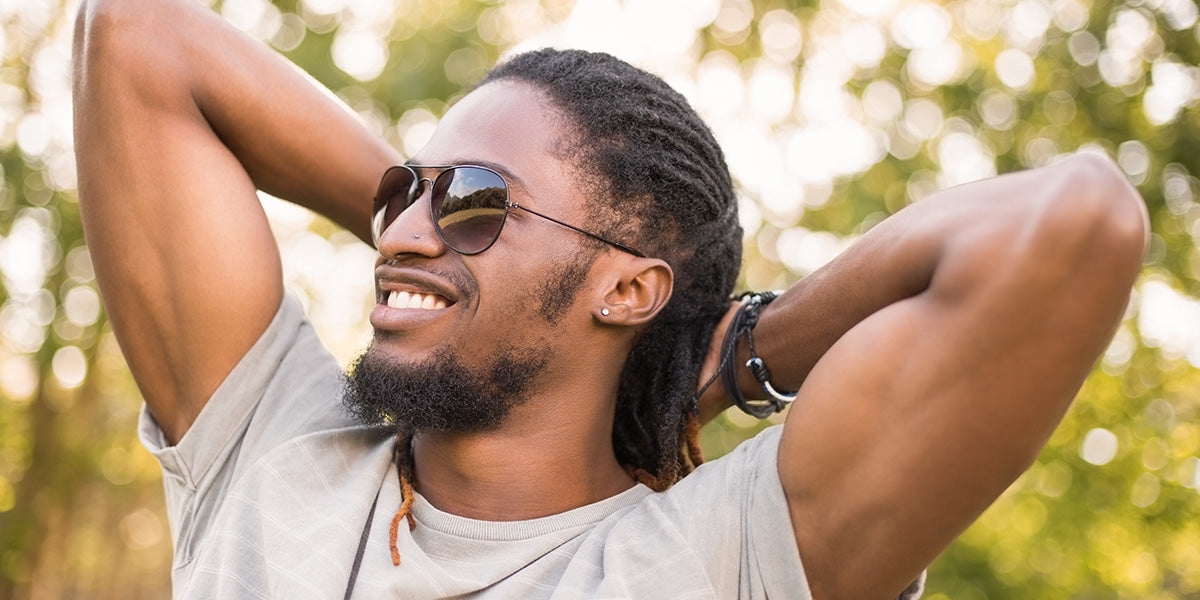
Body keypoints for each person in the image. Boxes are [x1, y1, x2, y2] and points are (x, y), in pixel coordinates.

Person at [71, 0, 1148, 598]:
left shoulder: (724, 557)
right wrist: (440, 243)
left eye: (479, 198)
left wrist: (726, 358)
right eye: (406, 189)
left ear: (629, 287)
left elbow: (1072, 225)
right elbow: (140, 35)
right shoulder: (275, 446)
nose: (396, 227)